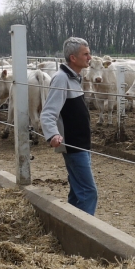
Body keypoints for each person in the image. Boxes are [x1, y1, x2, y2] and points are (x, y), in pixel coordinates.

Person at [41, 37, 98, 215]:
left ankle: (70, 224)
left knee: (77, 191)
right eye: (86, 54)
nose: (90, 57)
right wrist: (52, 135)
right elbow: (48, 112)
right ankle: (85, 231)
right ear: (73, 58)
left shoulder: (74, 78)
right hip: (74, 145)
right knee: (89, 192)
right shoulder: (61, 79)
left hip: (81, 144)